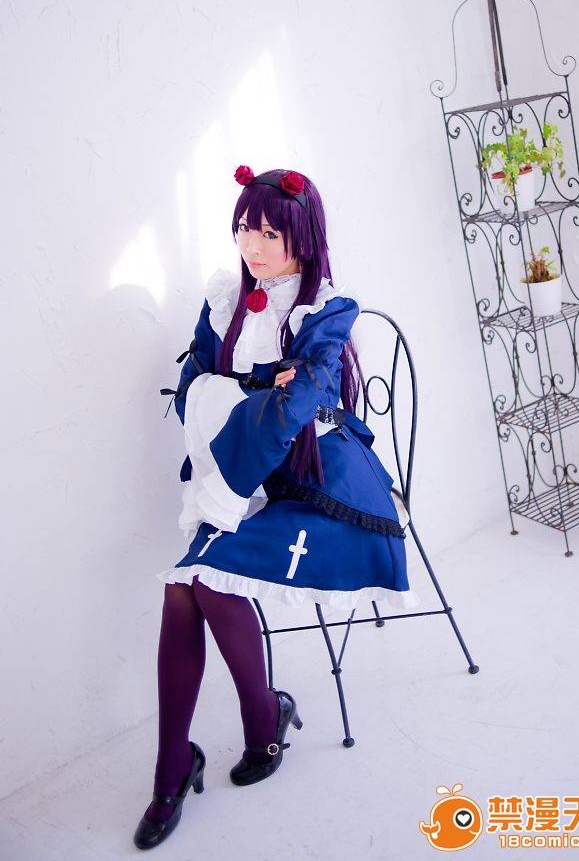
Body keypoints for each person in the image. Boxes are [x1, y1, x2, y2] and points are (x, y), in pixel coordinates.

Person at [133, 166, 418, 850]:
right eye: (243, 229)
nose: (251, 246)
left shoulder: (327, 308)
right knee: (184, 586)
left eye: (268, 233)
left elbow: (302, 402)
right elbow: (191, 388)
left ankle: (258, 722)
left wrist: (242, 389)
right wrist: (258, 389)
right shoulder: (224, 298)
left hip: (322, 486)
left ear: (303, 236)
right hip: (241, 473)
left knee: (202, 581)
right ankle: (176, 766)